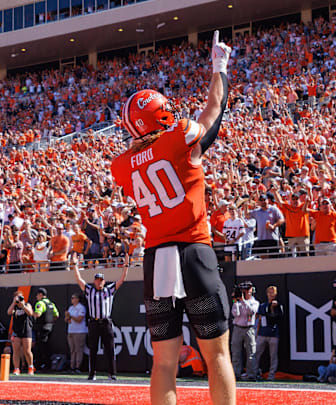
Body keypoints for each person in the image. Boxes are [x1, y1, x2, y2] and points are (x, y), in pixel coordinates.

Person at [110, 30, 235, 405]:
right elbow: (214, 111)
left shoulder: (121, 166)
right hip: (194, 253)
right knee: (216, 356)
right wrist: (219, 67)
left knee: (163, 362)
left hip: (157, 259)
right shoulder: (180, 135)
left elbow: (144, 154)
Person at [72, 261, 128, 381]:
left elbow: (121, 280)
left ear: (104, 281)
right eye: (97, 280)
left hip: (106, 322)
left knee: (110, 348)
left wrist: (126, 266)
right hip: (94, 322)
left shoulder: (109, 289)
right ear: (94, 281)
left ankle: (112, 373)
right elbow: (79, 279)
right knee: (93, 349)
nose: (99, 282)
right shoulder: (89, 290)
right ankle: (92, 373)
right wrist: (75, 265)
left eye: (101, 280)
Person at [231, 281, 259, 381]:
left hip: (249, 329)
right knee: (236, 352)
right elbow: (235, 313)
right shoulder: (237, 302)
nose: (246, 292)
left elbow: (251, 311)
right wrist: (235, 301)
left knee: (251, 352)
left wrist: (243, 300)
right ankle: (236, 374)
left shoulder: (254, 302)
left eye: (247, 290)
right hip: (238, 328)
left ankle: (251, 374)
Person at [254, 285, 283, 381]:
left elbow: (276, 318)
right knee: (256, 353)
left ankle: (271, 375)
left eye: (273, 292)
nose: (271, 294)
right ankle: (254, 373)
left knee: (273, 356)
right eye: (269, 292)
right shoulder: (262, 306)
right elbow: (259, 320)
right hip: (262, 333)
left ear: (275, 294)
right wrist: (256, 333)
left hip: (273, 334)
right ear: (266, 294)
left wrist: (272, 308)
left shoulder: (278, 306)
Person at [7, 290, 34, 375]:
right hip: (16, 331)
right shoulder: (14, 307)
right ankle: (16, 368)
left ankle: (30, 366)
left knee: (27, 351)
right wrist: (13, 303)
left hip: (26, 330)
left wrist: (23, 306)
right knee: (16, 351)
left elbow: (30, 313)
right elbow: (9, 312)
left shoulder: (27, 305)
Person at [32, 287, 59, 371]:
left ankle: (41, 365)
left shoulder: (40, 303)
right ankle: (48, 364)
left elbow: (38, 314)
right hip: (49, 328)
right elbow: (56, 315)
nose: (36, 296)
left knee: (41, 347)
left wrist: (30, 312)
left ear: (40, 295)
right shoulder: (51, 303)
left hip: (41, 328)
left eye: (37, 295)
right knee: (47, 346)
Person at [65, 292, 88, 374]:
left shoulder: (81, 308)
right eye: (71, 298)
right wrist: (67, 316)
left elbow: (79, 319)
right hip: (71, 331)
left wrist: (70, 316)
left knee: (79, 350)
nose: (72, 299)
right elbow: (66, 320)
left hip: (80, 331)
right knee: (72, 350)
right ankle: (72, 367)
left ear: (77, 299)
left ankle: (78, 367)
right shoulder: (70, 308)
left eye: (73, 298)